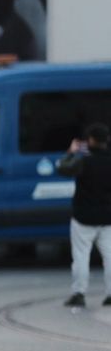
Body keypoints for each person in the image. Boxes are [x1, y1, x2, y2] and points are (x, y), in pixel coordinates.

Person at [57, 123, 111, 307]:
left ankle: (79, 293)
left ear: (91, 141)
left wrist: (71, 151)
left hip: (83, 218)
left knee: (81, 257)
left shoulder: (83, 161)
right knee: (110, 257)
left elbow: (62, 168)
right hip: (107, 218)